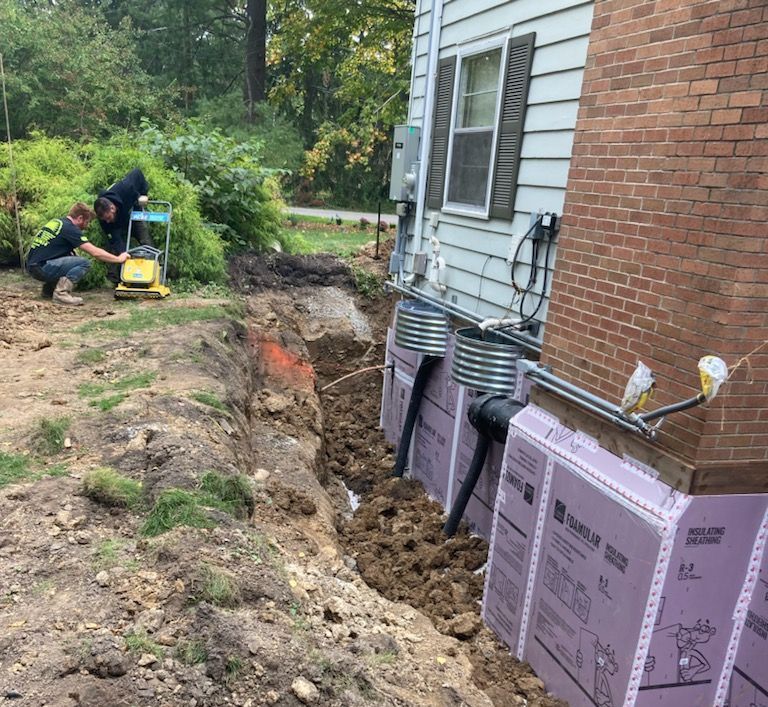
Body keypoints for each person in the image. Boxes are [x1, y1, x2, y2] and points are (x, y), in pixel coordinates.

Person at [26, 202, 129, 306]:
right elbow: (95, 252)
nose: (87, 226)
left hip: (33, 266)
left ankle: (49, 290)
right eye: (87, 222)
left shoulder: (58, 222)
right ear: (80, 218)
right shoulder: (70, 229)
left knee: (71, 257)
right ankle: (61, 294)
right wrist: (118, 259)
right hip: (42, 267)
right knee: (83, 263)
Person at [93, 167, 153, 283]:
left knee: (145, 241)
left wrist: (143, 194)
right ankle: (116, 279)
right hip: (117, 225)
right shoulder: (104, 219)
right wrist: (122, 253)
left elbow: (137, 172)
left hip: (132, 214)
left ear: (112, 208)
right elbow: (114, 238)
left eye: (108, 218)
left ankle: (154, 272)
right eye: (105, 220)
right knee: (115, 248)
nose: (107, 221)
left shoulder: (126, 188)